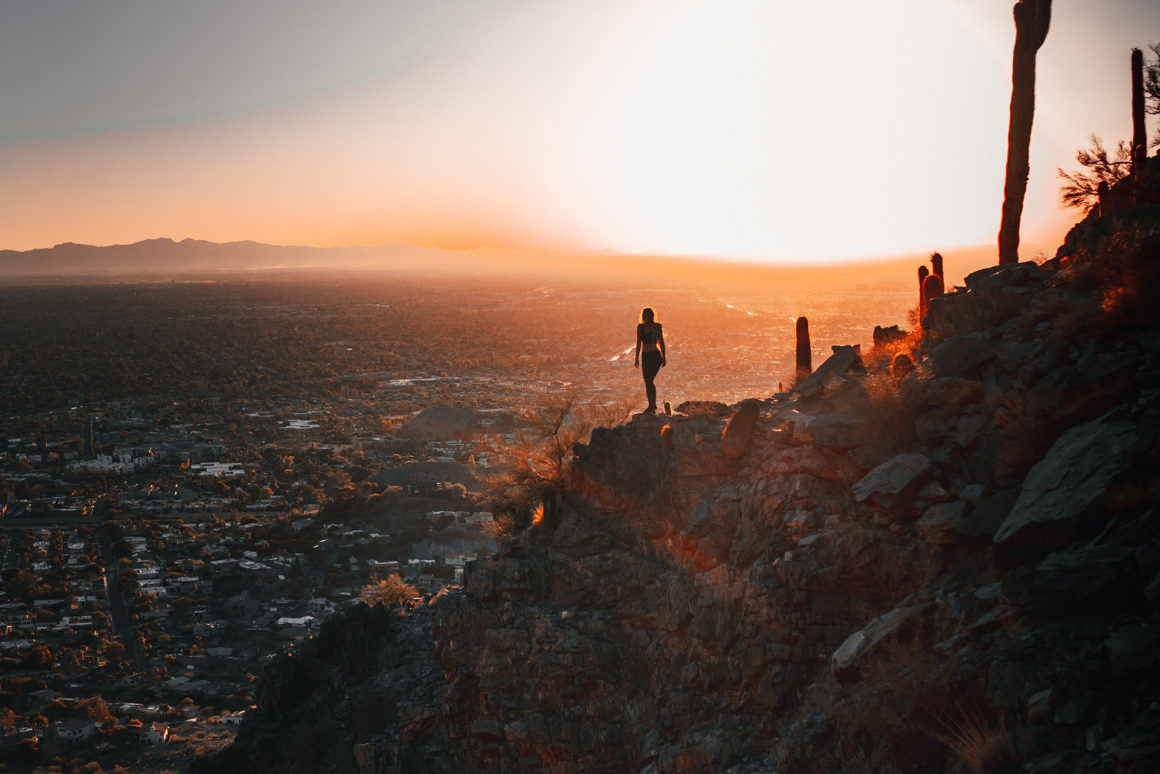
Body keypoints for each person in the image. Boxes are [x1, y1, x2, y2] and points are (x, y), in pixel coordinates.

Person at [634, 307, 666, 412]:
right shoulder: (640, 328)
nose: (649, 319)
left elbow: (661, 342)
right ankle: (651, 405)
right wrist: (636, 358)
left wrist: (663, 357)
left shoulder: (657, 326)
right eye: (647, 317)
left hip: (655, 356)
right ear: (644, 317)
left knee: (649, 380)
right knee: (647, 381)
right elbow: (638, 343)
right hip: (645, 356)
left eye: (650, 316)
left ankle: (652, 405)